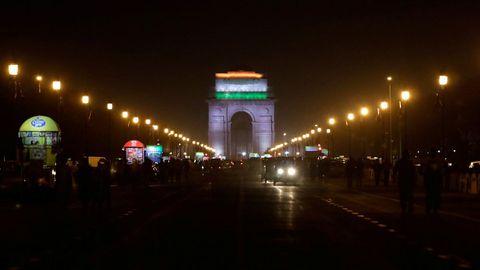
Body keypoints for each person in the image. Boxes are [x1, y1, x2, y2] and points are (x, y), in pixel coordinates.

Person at [394, 150, 416, 215]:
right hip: (408, 181)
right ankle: (409, 207)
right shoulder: (410, 162)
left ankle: (405, 208)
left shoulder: (400, 162)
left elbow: (395, 170)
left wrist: (394, 178)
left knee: (403, 195)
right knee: (409, 196)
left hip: (403, 181)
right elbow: (414, 173)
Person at [423, 149, 444, 214]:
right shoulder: (438, 161)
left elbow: (424, 171)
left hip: (431, 181)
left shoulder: (428, 161)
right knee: (435, 195)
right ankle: (434, 208)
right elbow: (441, 172)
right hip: (435, 181)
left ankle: (429, 208)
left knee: (430, 195)